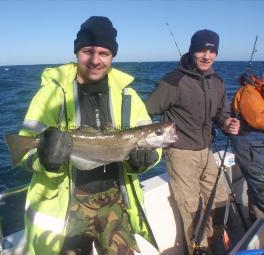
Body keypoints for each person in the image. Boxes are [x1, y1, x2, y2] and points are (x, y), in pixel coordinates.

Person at [18, 16, 162, 255]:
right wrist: (46, 161)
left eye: (104, 53)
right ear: (77, 52)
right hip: (68, 204)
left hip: (116, 199)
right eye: (88, 51)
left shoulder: (129, 95)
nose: (95, 60)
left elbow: (153, 144)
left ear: (112, 56)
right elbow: (26, 152)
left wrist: (145, 162)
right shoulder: (50, 95)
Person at [145, 29, 240, 254]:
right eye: (202, 50)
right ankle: (199, 250)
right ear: (192, 51)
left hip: (206, 151)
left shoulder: (217, 81)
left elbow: (221, 113)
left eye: (212, 51)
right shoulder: (172, 81)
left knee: (219, 200)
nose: (207, 56)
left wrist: (227, 123)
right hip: (180, 153)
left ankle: (213, 243)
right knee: (191, 208)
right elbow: (146, 111)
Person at [231, 70, 264, 223]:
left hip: (260, 151)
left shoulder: (262, 93)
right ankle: (261, 231)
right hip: (253, 152)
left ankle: (258, 227)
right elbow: (259, 119)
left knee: (257, 192)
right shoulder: (249, 94)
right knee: (263, 193)